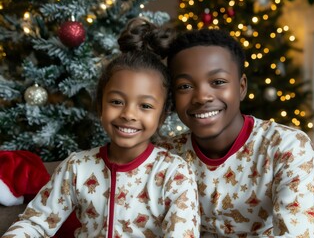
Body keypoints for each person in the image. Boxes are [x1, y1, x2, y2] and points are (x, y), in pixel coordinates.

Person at [2, 18, 200, 238]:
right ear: (100, 107)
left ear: (162, 116)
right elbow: (35, 222)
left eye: (145, 106)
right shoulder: (77, 168)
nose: (128, 114)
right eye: (117, 102)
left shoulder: (174, 173)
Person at [157, 28, 314, 237]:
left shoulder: (287, 147)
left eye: (218, 82)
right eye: (185, 86)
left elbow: (299, 232)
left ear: (242, 87)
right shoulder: (165, 156)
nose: (201, 97)